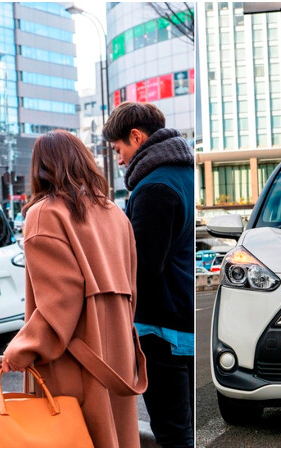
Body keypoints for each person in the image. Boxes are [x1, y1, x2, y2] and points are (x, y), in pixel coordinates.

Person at [2, 130, 147, 448]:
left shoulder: (45, 214)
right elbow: (131, 287)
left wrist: (21, 349)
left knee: (73, 436)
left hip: (76, 358)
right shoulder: (113, 212)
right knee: (116, 437)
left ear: (41, 167)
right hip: (117, 355)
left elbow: (60, 301)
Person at [102, 102, 195, 448]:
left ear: (136, 137)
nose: (120, 159)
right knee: (186, 426)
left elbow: (142, 266)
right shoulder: (184, 172)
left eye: (119, 149)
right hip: (183, 317)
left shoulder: (153, 188)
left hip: (161, 328)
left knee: (172, 431)